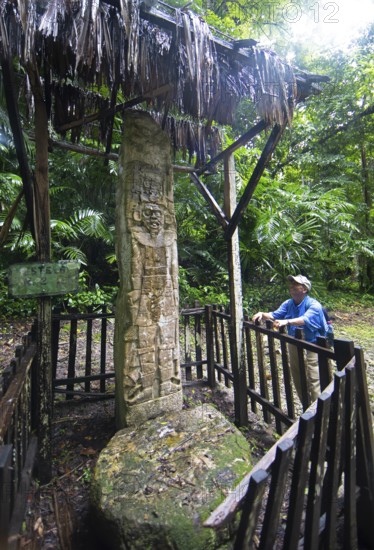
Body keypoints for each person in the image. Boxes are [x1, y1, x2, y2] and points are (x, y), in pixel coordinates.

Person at [252, 274, 328, 403]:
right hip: (294, 341)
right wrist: (262, 314)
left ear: (304, 289)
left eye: (296, 284)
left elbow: (305, 319)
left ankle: (318, 411)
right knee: (297, 374)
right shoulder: (288, 303)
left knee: (314, 377)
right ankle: (306, 406)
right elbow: (274, 315)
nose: (292, 286)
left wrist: (286, 322)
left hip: (314, 343)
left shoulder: (314, 305)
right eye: (291, 284)